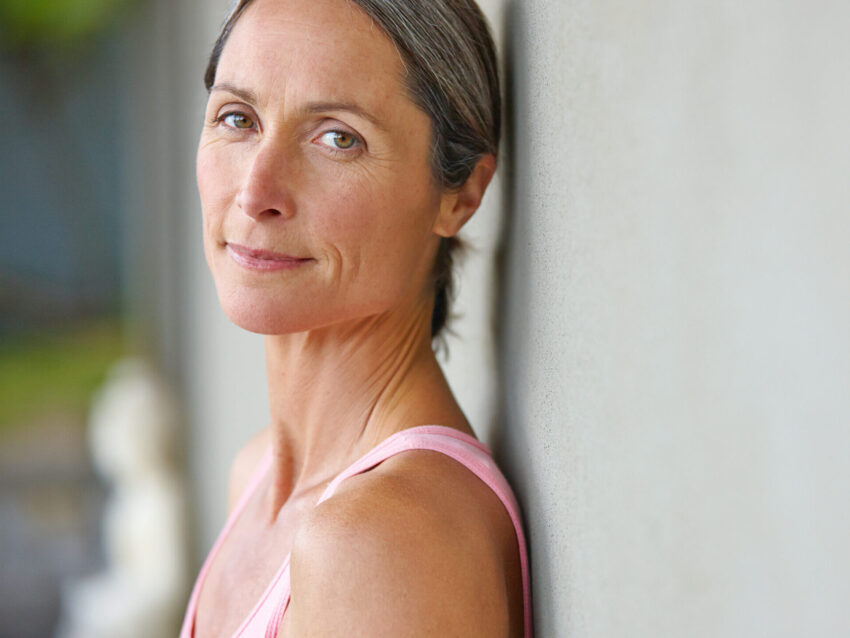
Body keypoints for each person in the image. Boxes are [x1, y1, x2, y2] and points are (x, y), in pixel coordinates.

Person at [178, 0, 532, 636]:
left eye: (338, 137)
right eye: (238, 117)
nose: (257, 192)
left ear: (461, 195)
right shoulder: (258, 474)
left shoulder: (382, 541)